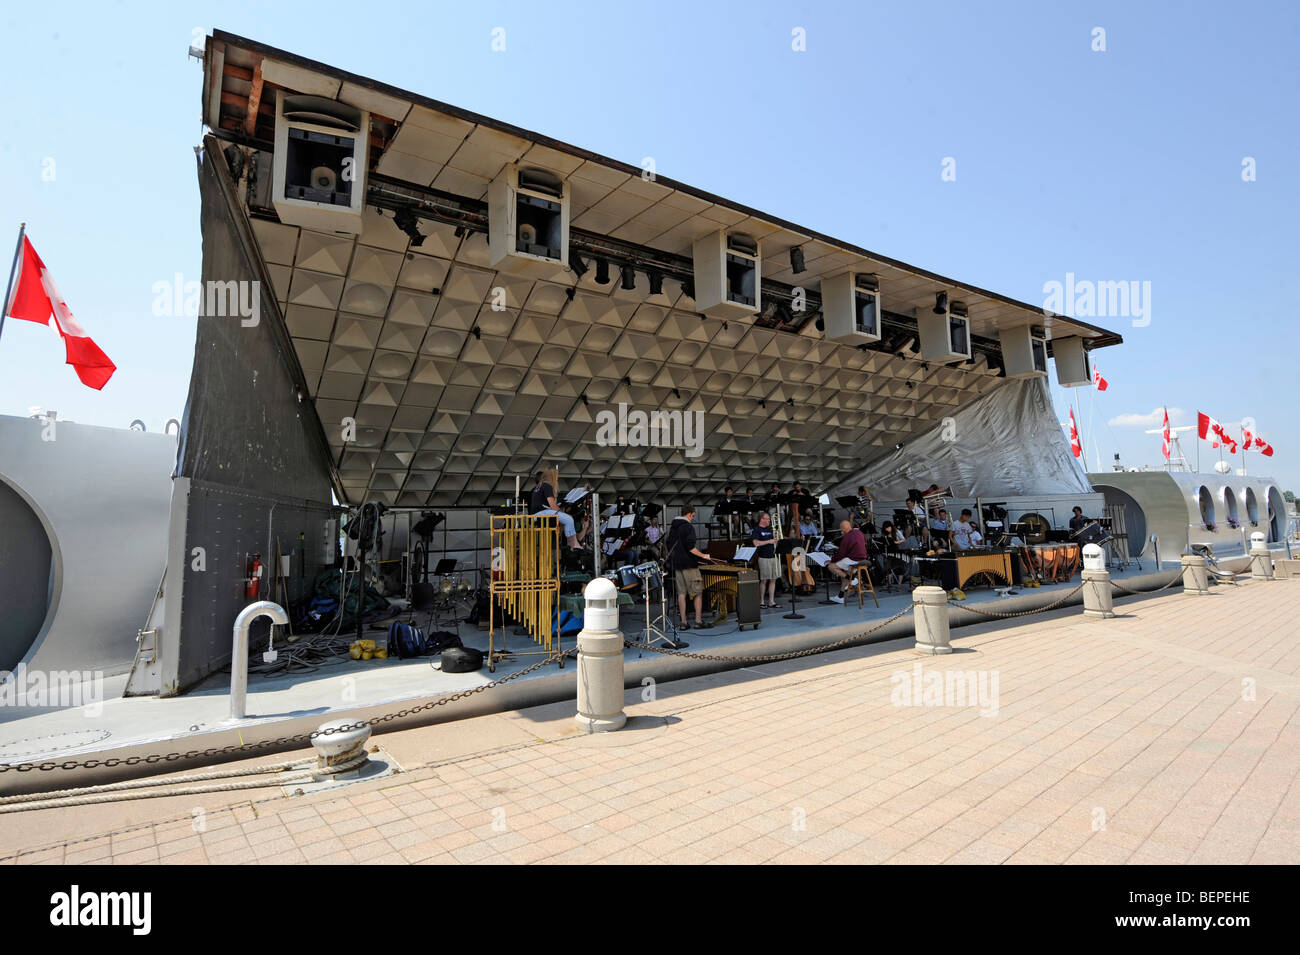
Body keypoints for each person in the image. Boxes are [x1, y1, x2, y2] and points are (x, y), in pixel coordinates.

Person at [664, 506, 716, 634]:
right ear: (689, 514)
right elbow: (691, 547)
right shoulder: (688, 527)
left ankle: (683, 623)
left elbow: (669, 544)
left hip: (677, 565)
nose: (693, 518)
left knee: (682, 593)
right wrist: (704, 556)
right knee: (697, 592)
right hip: (689, 565)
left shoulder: (673, 527)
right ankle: (698, 621)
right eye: (693, 515)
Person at [531, 468, 580, 547]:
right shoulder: (546, 486)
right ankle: (573, 545)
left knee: (565, 520)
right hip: (542, 513)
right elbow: (552, 505)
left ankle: (571, 543)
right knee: (569, 519)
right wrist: (561, 512)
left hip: (536, 514)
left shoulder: (539, 486)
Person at [827, 519, 867, 604]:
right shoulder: (859, 533)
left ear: (843, 529)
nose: (842, 531)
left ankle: (852, 579)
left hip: (853, 560)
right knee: (845, 575)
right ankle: (840, 596)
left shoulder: (847, 537)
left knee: (831, 567)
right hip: (862, 559)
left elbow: (841, 553)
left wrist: (831, 561)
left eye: (842, 529)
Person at [751, 511, 779, 608]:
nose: (769, 521)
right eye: (767, 518)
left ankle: (771, 601)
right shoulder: (757, 530)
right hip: (763, 557)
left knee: (773, 579)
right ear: (761, 519)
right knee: (764, 580)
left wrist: (776, 538)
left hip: (773, 556)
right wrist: (769, 541)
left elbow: (775, 541)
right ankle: (761, 601)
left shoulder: (770, 529)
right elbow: (756, 543)